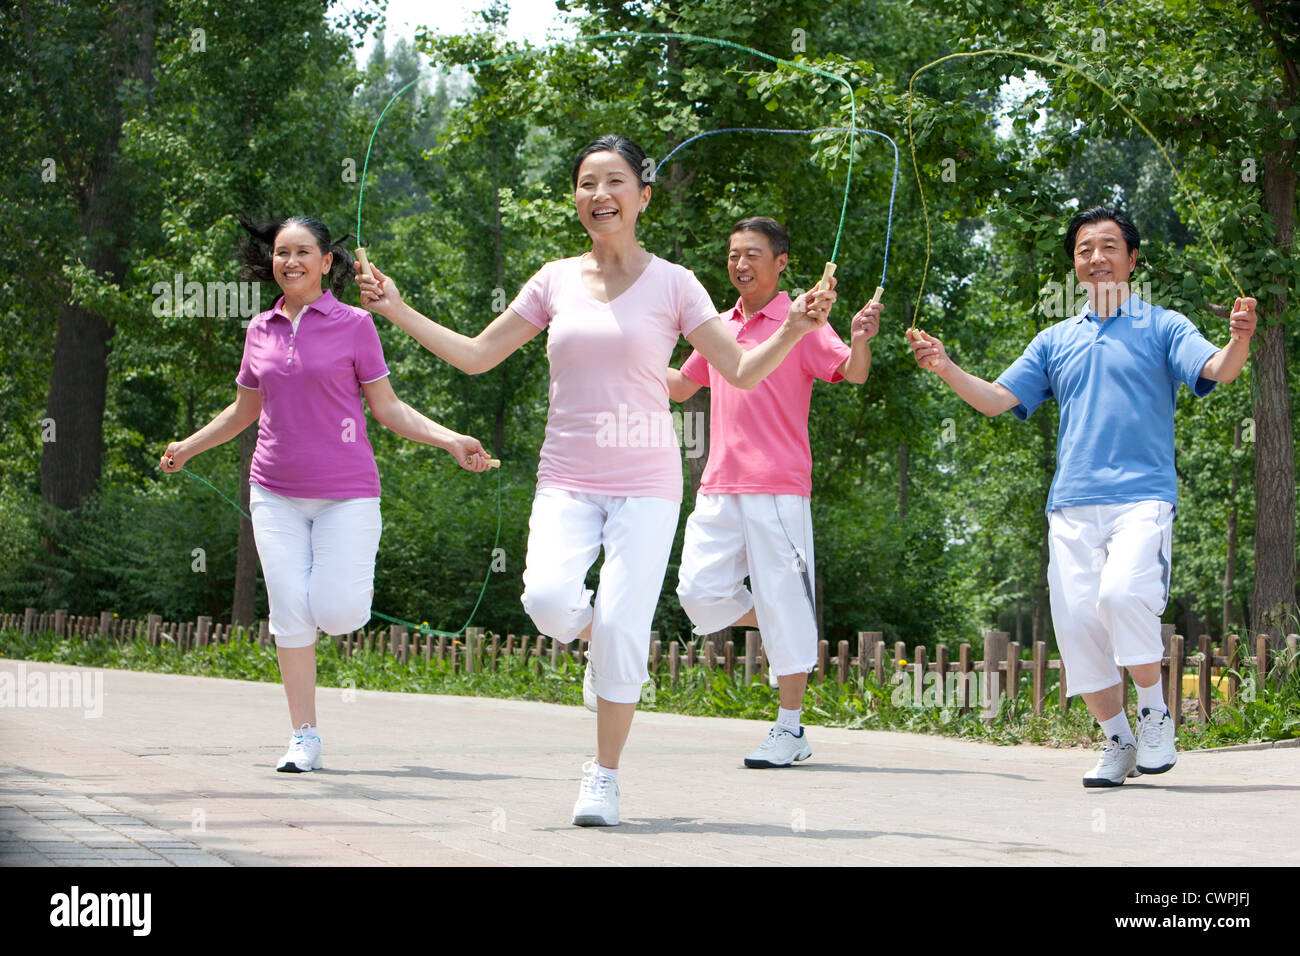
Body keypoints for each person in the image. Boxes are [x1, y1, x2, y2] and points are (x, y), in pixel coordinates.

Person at [356, 135, 838, 825]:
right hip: (568, 476)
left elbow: (738, 370)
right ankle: (602, 642)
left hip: (647, 482)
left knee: (622, 624)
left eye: (615, 182)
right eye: (587, 183)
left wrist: (791, 329)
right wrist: (395, 307)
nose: (600, 195)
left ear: (643, 197)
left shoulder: (675, 282)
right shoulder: (553, 278)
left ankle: (603, 776)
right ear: (576, 198)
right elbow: (476, 355)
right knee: (549, 601)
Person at [906, 206, 1257, 787]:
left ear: (1132, 258)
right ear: (1075, 263)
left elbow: (1219, 369)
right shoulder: (1054, 339)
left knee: (1122, 597)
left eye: (1108, 247)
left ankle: (1153, 710)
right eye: (1084, 250)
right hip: (1069, 504)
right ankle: (1116, 740)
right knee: (1076, 627)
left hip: (1142, 498)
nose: (1096, 258)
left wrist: (1238, 339)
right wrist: (945, 366)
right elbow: (997, 399)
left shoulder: (1163, 325)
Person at [161, 215, 493, 774]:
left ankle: (333, 609)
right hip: (274, 493)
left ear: (326, 263)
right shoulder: (259, 328)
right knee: (289, 610)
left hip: (347, 494)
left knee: (336, 613)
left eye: (301, 252)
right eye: (280, 253)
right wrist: (189, 447)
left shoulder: (356, 324)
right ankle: (304, 735)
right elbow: (246, 409)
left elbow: (387, 409)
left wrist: (450, 439)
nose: (288, 262)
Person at [668, 216, 882, 768]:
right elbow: (681, 385)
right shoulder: (718, 325)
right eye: (734, 254)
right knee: (697, 592)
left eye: (753, 254)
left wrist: (859, 338)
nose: (740, 264)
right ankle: (783, 612)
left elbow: (851, 375)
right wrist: (618, 357)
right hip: (718, 484)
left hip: (779, 487)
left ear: (781, 261)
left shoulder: (803, 321)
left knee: (785, 606)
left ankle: (790, 729)